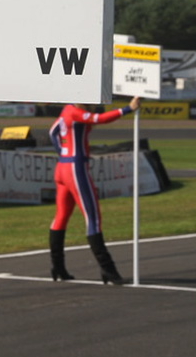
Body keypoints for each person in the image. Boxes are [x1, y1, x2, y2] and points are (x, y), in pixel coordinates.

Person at [47, 96, 140, 285]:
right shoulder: (76, 111)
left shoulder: (67, 110)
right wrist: (127, 109)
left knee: (61, 217)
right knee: (93, 218)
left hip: (63, 166)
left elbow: (53, 131)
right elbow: (100, 119)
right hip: (75, 168)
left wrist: (62, 151)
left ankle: (58, 267)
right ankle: (108, 270)